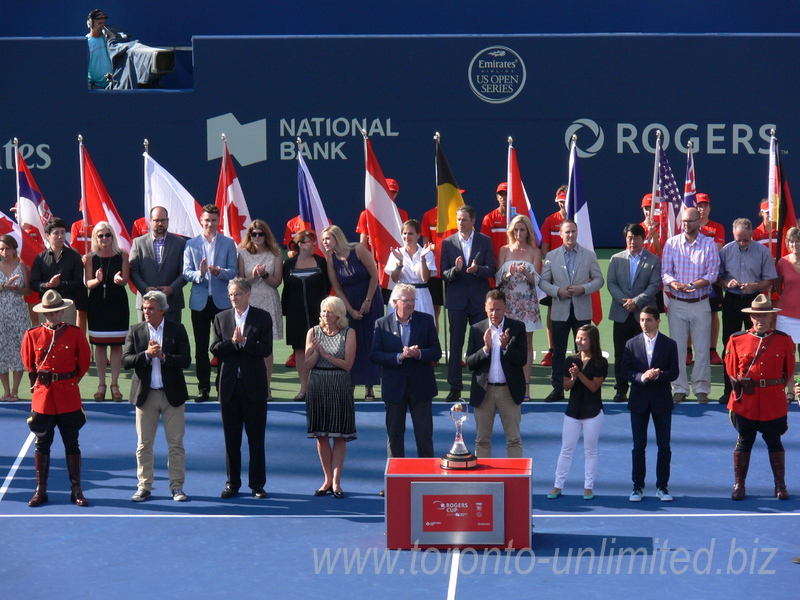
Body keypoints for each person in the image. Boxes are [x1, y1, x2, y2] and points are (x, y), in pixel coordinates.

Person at [21, 290, 92, 507]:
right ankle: (40, 490)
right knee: (42, 443)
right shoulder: (32, 335)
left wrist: (69, 381)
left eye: (56, 312)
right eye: (49, 313)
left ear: (62, 311)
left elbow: (84, 361)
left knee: (72, 442)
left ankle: (76, 489)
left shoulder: (75, 333)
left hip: (68, 395)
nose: (53, 316)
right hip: (44, 397)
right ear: (44, 314)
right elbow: (28, 363)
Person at [122, 291, 192, 502]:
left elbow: (186, 360)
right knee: (144, 444)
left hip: (173, 395)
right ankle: (144, 486)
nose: (146, 312)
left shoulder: (177, 330)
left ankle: (177, 487)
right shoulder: (135, 331)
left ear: (162, 310)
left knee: (176, 444)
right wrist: (146, 356)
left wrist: (163, 357)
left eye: (151, 308)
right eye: (144, 308)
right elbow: (126, 360)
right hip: (146, 396)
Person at [724, 294, 794, 501]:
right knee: (744, 442)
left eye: (764, 315)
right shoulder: (737, 340)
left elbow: (787, 371)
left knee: (775, 441)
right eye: (757, 316)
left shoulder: (784, 340)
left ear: (771, 317)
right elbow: (731, 370)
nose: (760, 320)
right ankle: (739, 485)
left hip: (772, 401)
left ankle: (780, 485)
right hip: (747, 401)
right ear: (751, 318)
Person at [211, 278, 272, 499]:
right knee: (231, 440)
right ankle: (232, 483)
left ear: (248, 294)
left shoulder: (262, 318)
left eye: (237, 294)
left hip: (254, 389)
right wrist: (233, 343)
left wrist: (245, 342)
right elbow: (215, 348)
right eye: (231, 295)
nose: (233, 298)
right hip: (229, 389)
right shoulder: (221, 318)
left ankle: (257, 484)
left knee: (256, 439)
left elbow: (265, 349)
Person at [370, 284, 441, 461]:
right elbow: (375, 355)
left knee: (424, 436)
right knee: (395, 436)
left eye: (413, 300)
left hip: (421, 387)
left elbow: (436, 352)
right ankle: (395, 483)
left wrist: (419, 353)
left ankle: (427, 479)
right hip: (394, 387)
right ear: (394, 302)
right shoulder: (382, 324)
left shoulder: (426, 320)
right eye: (406, 300)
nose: (411, 304)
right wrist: (398, 357)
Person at [538, 219, 605, 402]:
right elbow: (543, 282)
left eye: (573, 232)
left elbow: (599, 280)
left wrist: (583, 289)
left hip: (582, 311)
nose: (570, 235)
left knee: (584, 352)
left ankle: (581, 388)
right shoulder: (551, 256)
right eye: (567, 232)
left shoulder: (589, 255)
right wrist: (557, 291)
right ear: (560, 234)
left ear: (577, 233)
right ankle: (558, 388)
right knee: (558, 352)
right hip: (560, 310)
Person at [660, 206, 720, 403]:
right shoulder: (672, 243)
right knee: (677, 348)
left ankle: (701, 388)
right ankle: (679, 388)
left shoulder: (709, 244)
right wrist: (675, 283)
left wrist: (693, 286)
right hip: (677, 303)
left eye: (690, 221)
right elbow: (665, 272)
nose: (686, 224)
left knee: (702, 348)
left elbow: (712, 274)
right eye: (684, 221)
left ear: (698, 222)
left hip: (700, 302)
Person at [621, 306, 680, 502]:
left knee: (664, 446)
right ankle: (637, 487)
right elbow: (626, 371)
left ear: (658, 321)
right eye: (642, 320)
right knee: (639, 446)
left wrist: (659, 375)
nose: (644, 324)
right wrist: (642, 377)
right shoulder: (631, 344)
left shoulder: (669, 344)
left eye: (648, 320)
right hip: (639, 401)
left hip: (662, 401)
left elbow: (674, 372)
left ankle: (662, 487)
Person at [717, 218, 777, 403]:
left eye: (745, 239)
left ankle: (757, 387)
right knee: (730, 343)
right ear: (733, 235)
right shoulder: (726, 251)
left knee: (757, 343)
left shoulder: (762, 252)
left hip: (755, 301)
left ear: (752, 235)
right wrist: (728, 283)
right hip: (733, 300)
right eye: (738, 239)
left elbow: (769, 280)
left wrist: (754, 286)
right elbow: (717, 278)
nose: (742, 243)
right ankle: (729, 389)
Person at [440, 205, 496, 401]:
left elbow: (491, 269)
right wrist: (456, 270)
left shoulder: (485, 241)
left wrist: (477, 269)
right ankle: (455, 387)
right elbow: (444, 274)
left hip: (479, 301)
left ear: (473, 220)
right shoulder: (448, 243)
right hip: (457, 303)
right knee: (455, 345)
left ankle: (481, 386)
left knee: (481, 344)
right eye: (458, 220)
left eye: (464, 220)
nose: (460, 223)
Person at [183, 204, 238, 402]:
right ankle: (203, 388)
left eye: (214, 220)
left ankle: (222, 386)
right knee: (201, 346)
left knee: (222, 346)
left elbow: (233, 270)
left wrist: (219, 272)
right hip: (199, 302)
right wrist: (201, 273)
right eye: (207, 220)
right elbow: (186, 272)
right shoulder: (191, 244)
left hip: (222, 302)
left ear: (218, 221)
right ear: (201, 220)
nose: (210, 224)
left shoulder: (228, 243)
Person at [321, 225, 382, 401]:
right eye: (323, 239)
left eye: (327, 238)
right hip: (348, 304)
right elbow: (338, 288)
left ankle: (370, 386)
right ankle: (351, 382)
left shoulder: (358, 249)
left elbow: (374, 276)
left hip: (370, 299)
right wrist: (351, 310)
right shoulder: (331, 259)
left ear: (337, 238)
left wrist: (368, 301)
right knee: (351, 343)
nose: (325, 242)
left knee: (371, 340)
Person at [547, 324, 607, 500]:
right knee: (566, 449)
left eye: (583, 338)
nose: (579, 341)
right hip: (573, 412)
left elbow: (594, 387)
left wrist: (579, 375)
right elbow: (565, 387)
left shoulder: (600, 362)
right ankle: (557, 486)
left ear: (592, 341)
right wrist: (573, 378)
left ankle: (588, 488)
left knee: (590, 451)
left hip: (593, 412)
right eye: (578, 337)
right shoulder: (570, 360)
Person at [465, 289, 527, 458]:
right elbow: (470, 363)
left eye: (498, 309)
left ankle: (516, 481)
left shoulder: (517, 328)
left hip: (509, 391)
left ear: (505, 308)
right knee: (482, 440)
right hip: (484, 392)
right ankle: (484, 481)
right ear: (485, 308)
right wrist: (486, 349)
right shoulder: (477, 329)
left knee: (514, 439)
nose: (494, 313)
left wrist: (506, 347)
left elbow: (522, 359)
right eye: (491, 309)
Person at [305, 296, 357, 499]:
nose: (326, 315)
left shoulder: (348, 333)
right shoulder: (313, 332)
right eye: (324, 311)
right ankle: (327, 480)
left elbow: (348, 365)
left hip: (339, 386)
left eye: (330, 311)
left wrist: (326, 355)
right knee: (322, 435)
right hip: (318, 385)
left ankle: (337, 481)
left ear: (339, 314)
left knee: (339, 435)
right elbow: (307, 365)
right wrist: (317, 353)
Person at [606, 223, 662, 403]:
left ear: (642, 239)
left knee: (645, 353)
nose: (632, 241)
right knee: (621, 353)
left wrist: (636, 302)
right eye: (629, 238)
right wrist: (626, 302)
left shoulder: (653, 260)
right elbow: (611, 284)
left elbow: (654, 286)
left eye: (636, 238)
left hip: (643, 314)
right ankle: (621, 388)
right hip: (621, 313)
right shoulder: (616, 259)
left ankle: (643, 386)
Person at [496, 214, 543, 401]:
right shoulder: (504, 250)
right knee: (507, 343)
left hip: (528, 305)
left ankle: (526, 388)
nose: (518, 233)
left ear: (528, 231)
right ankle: (506, 385)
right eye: (515, 229)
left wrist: (526, 274)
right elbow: (498, 279)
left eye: (522, 230)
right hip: (508, 304)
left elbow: (538, 281)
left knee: (527, 345)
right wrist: (509, 273)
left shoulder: (534, 252)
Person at [84, 221, 130, 402]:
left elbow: (125, 280)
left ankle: (115, 385)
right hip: (97, 305)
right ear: (96, 238)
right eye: (100, 235)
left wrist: (119, 280)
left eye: (107, 235)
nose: (104, 238)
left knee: (117, 345)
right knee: (100, 345)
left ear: (112, 236)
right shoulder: (90, 258)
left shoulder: (122, 255)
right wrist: (97, 280)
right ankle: (101, 385)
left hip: (117, 304)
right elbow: (88, 283)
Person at [282, 230, 331, 400]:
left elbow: (328, 286)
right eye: (309, 242)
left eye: (314, 241)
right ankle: (304, 388)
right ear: (300, 245)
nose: (313, 244)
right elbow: (287, 289)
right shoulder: (288, 264)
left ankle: (321, 388)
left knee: (321, 348)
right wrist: (285, 310)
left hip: (319, 315)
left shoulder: (321, 262)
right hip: (295, 314)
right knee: (300, 350)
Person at [238, 219, 283, 398]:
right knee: (246, 343)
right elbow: (241, 282)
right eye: (253, 234)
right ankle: (248, 385)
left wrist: (264, 275)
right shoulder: (242, 254)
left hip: (268, 300)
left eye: (260, 234)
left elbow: (277, 282)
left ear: (266, 235)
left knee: (266, 347)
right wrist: (253, 276)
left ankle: (266, 387)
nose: (256, 237)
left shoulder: (276, 254)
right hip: (248, 301)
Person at [129, 206, 187, 323]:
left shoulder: (180, 243)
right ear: (150, 221)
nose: (160, 223)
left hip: (172, 304)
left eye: (163, 220)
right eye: (156, 220)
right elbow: (133, 271)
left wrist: (171, 289)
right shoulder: (138, 243)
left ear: (168, 221)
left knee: (171, 340)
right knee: (145, 339)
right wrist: (145, 288)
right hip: (146, 303)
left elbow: (185, 271)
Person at [356, 178, 408, 304]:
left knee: (395, 301)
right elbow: (362, 243)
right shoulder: (366, 214)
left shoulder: (402, 214)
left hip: (393, 265)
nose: (391, 195)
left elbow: (404, 241)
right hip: (373, 264)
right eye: (388, 192)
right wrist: (368, 261)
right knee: (374, 302)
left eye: (394, 193)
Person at [30, 218, 87, 327]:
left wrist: (60, 284)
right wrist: (47, 285)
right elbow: (34, 283)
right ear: (47, 235)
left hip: (67, 306)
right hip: (46, 306)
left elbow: (78, 282)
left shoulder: (74, 257)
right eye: (56, 233)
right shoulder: (40, 259)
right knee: (47, 341)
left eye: (63, 232)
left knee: (67, 341)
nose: (60, 236)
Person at [538, 186, 568, 367]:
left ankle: (579, 350)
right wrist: (553, 267)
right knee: (552, 311)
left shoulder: (577, 219)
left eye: (566, 201)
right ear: (557, 202)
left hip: (574, 274)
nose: (563, 205)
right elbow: (544, 248)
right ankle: (551, 350)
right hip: (554, 274)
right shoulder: (550, 221)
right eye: (561, 202)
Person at [696, 193, 726, 366]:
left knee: (713, 313)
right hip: (691, 275)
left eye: (705, 205)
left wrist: (696, 245)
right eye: (699, 205)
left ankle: (712, 350)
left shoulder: (717, 227)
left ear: (709, 208)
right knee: (691, 311)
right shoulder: (687, 226)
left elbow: (718, 247)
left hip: (712, 276)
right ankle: (688, 350)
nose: (702, 209)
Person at [383, 219, 437, 319]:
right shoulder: (396, 253)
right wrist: (400, 263)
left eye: (411, 233)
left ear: (418, 235)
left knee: (422, 328)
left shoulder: (427, 253)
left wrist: (422, 259)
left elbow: (425, 278)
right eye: (405, 233)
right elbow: (394, 279)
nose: (407, 237)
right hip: (401, 295)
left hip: (421, 295)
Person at [0, 235, 31, 402]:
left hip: (18, 313)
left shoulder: (22, 267)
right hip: (1, 313)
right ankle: (5, 390)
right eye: (1, 249)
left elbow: (28, 291)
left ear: (13, 249)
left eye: (7, 248)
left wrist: (18, 288)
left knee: (19, 351)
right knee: (2, 352)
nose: (4, 252)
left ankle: (15, 390)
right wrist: (4, 286)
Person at [776, 227, 800, 364]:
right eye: (791, 241)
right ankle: (788, 385)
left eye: (798, 241)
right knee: (787, 352)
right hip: (786, 315)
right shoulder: (782, 263)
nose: (794, 244)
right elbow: (778, 288)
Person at [480, 182, 510, 258]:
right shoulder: (489, 218)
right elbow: (484, 244)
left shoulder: (518, 217)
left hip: (514, 261)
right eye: (501, 194)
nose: (503, 197)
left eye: (506, 194)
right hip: (494, 262)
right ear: (497, 197)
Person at [86, 8, 112, 89]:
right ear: (90, 24)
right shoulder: (86, 42)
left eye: (104, 23)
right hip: (96, 86)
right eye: (100, 23)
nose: (102, 26)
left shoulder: (109, 39)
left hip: (113, 84)